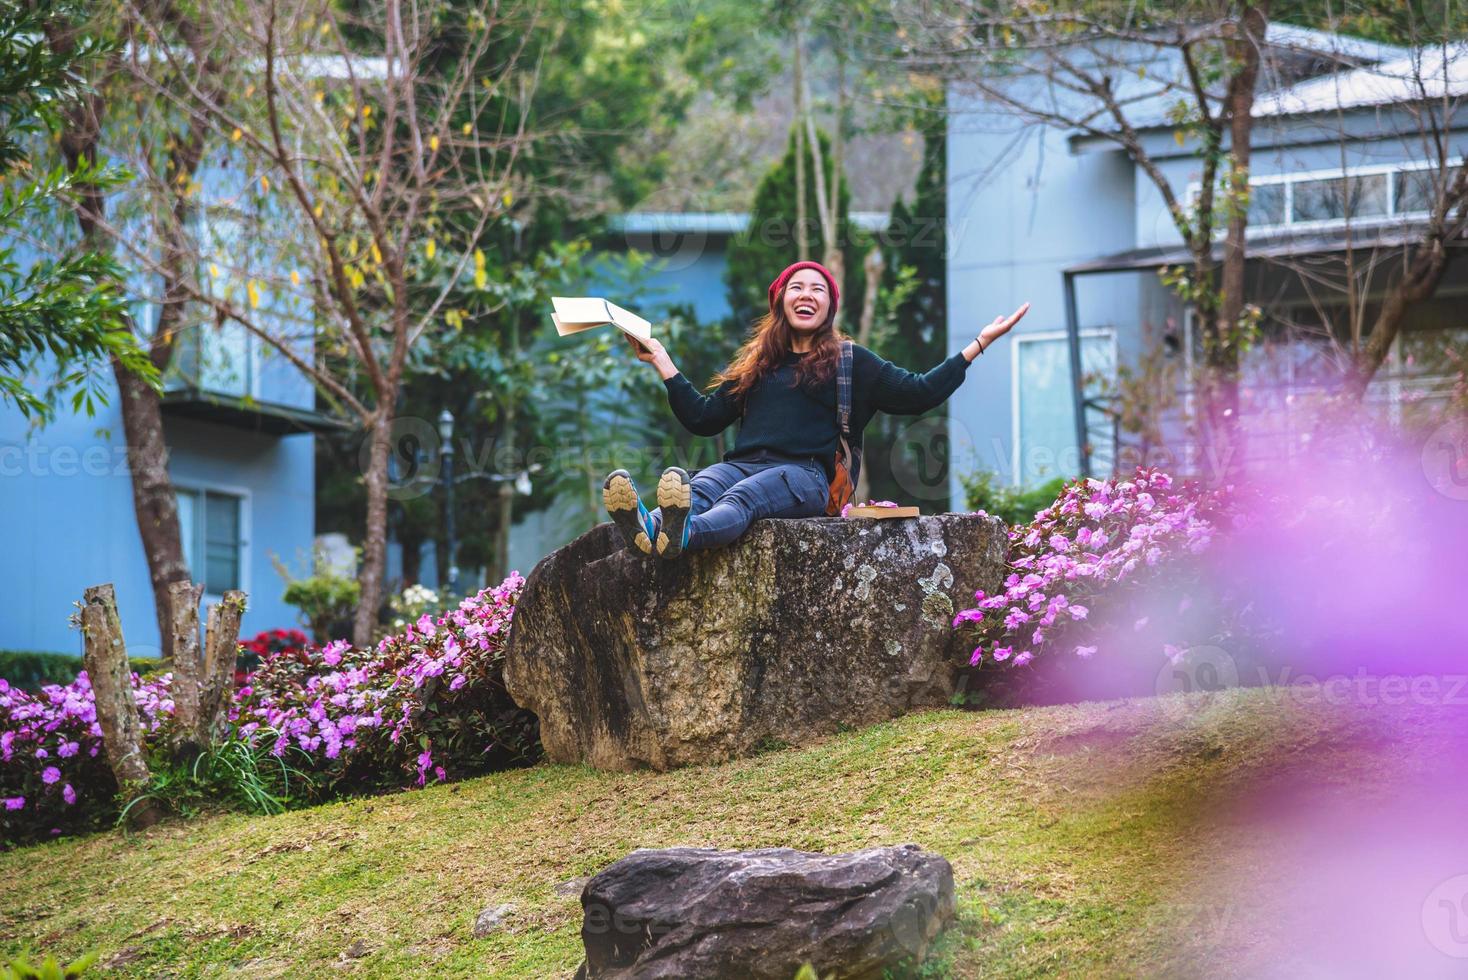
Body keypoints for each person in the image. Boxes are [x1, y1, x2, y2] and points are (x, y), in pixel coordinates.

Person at [602, 260, 1028, 558]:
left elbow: (919, 393)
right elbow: (702, 418)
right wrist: (660, 358)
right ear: (781, 301)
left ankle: (684, 533)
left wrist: (979, 345)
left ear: (828, 308)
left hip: (804, 477)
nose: (807, 294)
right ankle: (646, 525)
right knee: (705, 483)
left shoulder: (851, 361)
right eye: (797, 287)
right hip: (743, 463)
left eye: (818, 289)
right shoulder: (757, 363)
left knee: (741, 498)